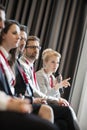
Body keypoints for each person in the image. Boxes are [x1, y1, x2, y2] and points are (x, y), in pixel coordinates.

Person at [0, 20, 55, 126]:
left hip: (17, 100)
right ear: (3, 34)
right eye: (15, 33)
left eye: (23, 39)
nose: (20, 40)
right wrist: (19, 101)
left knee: (58, 117)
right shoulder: (16, 63)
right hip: (9, 105)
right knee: (48, 119)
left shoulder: (11, 61)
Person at [19, 35, 80, 130]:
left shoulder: (50, 76)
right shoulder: (35, 72)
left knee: (62, 123)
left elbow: (55, 97)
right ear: (45, 62)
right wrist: (56, 89)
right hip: (34, 102)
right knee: (67, 111)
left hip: (43, 102)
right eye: (32, 47)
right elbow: (38, 94)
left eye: (37, 47)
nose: (36, 50)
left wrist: (58, 93)